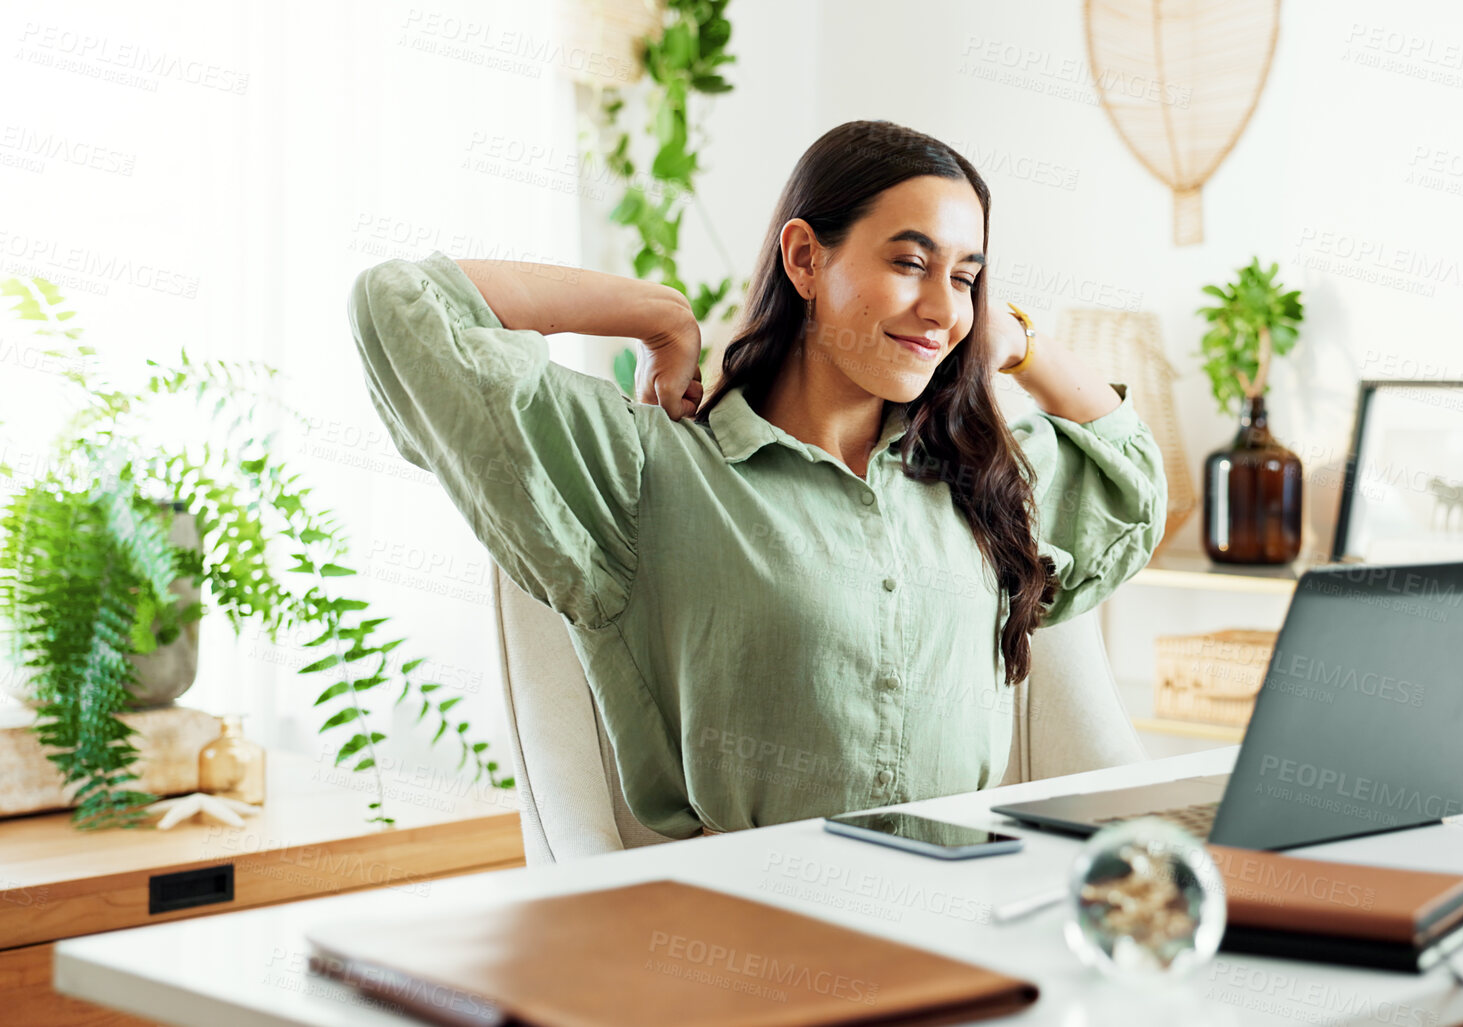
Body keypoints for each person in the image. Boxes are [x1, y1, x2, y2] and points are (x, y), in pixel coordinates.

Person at [346, 119, 1166, 837]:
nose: (943, 309)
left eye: (964, 277)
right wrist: (657, 315)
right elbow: (403, 302)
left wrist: (1014, 338)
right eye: (911, 262)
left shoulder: (976, 479)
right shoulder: (649, 470)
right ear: (805, 258)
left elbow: (1132, 482)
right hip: (758, 923)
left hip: (966, 906)